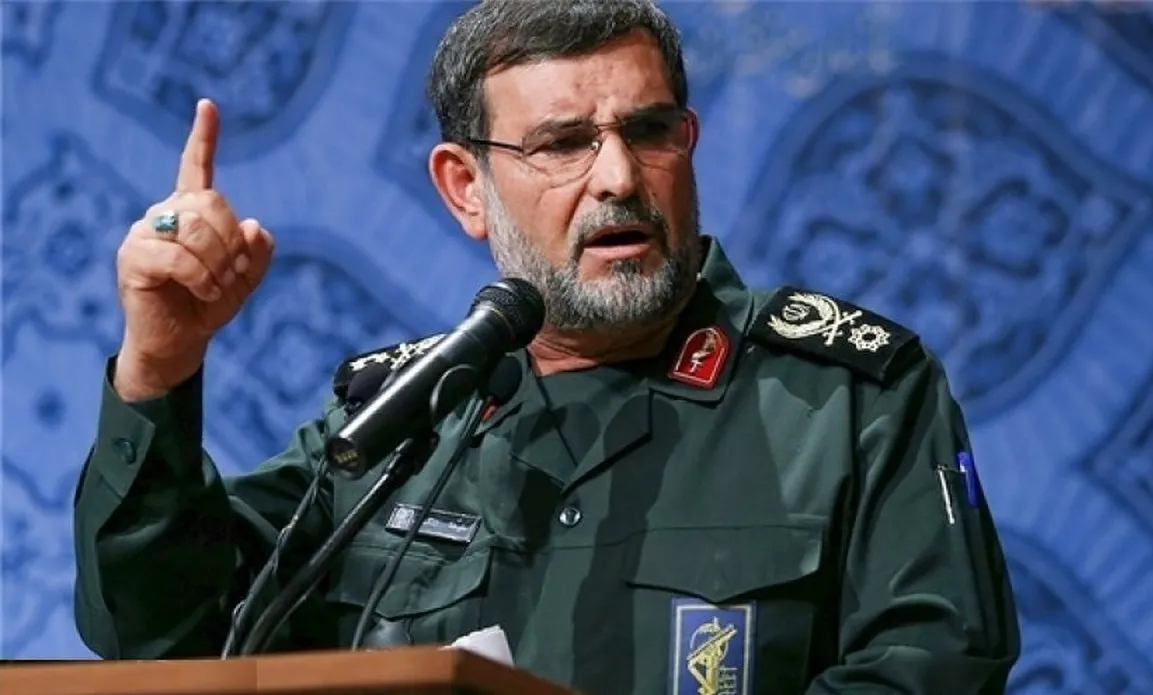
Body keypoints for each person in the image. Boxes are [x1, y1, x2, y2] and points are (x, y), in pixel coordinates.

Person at [71, 1, 1021, 693]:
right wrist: (158, 366)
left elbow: (932, 672)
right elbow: (164, 637)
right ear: (465, 188)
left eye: (649, 131)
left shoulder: (853, 398)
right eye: (563, 143)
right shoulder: (402, 420)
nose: (618, 177)